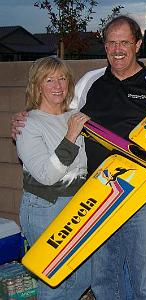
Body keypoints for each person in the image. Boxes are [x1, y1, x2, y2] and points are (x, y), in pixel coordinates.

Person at [12, 15, 146, 300]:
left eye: (124, 42)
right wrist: (24, 117)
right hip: (98, 197)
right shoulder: (90, 81)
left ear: (138, 44)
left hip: (144, 198)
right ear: (105, 46)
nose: (117, 49)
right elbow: (58, 114)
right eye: (111, 43)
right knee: (103, 278)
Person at [15, 56, 91, 299]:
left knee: (83, 274)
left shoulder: (75, 115)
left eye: (62, 79)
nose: (58, 86)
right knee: (53, 281)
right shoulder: (29, 124)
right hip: (45, 207)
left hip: (77, 205)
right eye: (49, 80)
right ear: (37, 86)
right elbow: (47, 176)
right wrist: (70, 136)